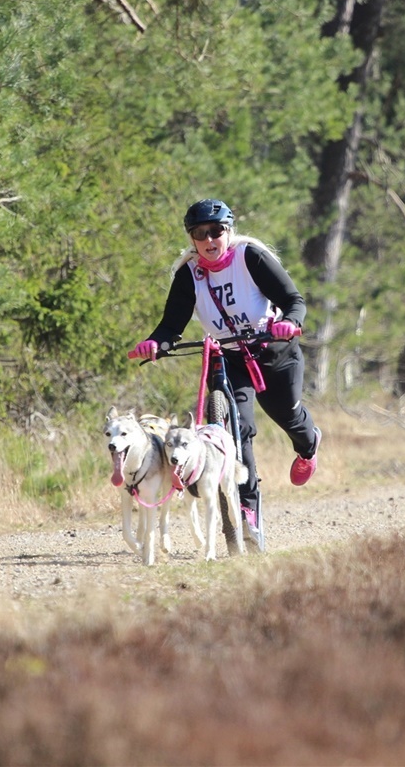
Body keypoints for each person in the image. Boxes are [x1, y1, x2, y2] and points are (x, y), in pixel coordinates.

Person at [129, 198, 321, 551]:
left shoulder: (251, 257)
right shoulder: (189, 274)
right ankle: (248, 514)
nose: (209, 239)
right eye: (200, 233)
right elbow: (171, 325)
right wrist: (155, 343)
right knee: (237, 431)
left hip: (274, 352)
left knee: (288, 415)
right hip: (229, 359)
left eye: (216, 231)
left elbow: (293, 300)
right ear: (191, 238)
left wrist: (289, 322)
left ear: (228, 231)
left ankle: (309, 446)